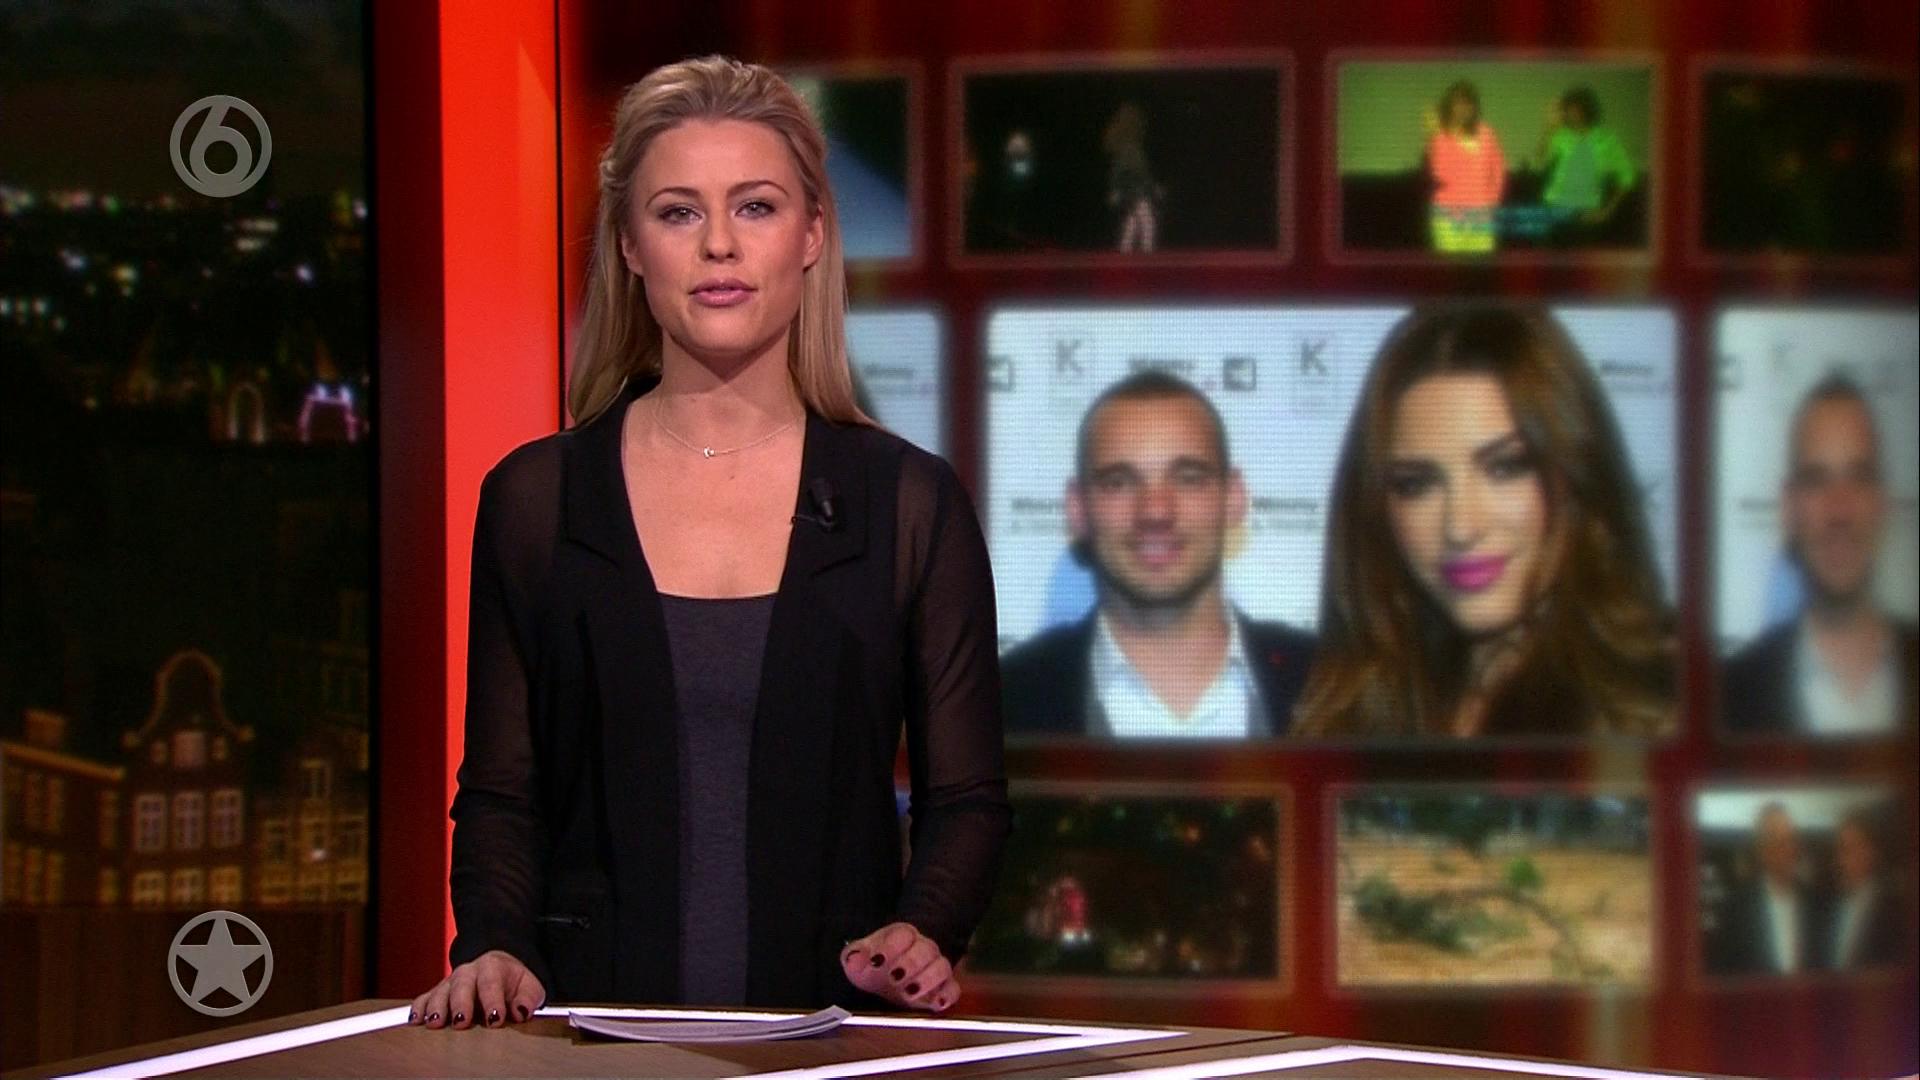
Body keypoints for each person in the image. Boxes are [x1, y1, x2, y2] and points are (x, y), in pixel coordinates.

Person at [408, 56, 1011, 1030]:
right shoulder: (537, 499)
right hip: (589, 1041)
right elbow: (501, 794)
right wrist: (494, 946)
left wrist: (924, 927)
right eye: (679, 212)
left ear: (812, 234)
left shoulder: (908, 503)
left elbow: (968, 799)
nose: (719, 244)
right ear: (630, 244)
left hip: (831, 1043)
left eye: (756, 207)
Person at [1293, 304, 1675, 739]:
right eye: (1417, 483)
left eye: (1506, 467)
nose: (1460, 527)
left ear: (1579, 474)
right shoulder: (1347, 715)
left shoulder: (1661, 714)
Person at [1000, 372, 1315, 739]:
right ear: (1078, 509)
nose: (1155, 511)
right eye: (1119, 482)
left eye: (1188, 478)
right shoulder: (997, 703)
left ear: (1233, 498)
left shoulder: (1329, 683)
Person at [1722, 375, 1918, 737]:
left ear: (1883, 503)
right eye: (1816, 480)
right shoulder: (1728, 699)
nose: (1839, 510)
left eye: (1858, 478)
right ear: (1788, 509)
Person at [1708, 803, 1818, 976]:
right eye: (1778, 842)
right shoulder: (1735, 908)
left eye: (1791, 840)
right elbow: (1723, 975)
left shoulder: (1816, 903)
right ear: (1761, 850)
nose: (1789, 850)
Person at [1532, 86, 1637, 243]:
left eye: (1575, 109)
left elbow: (1627, 176)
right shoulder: (1561, 135)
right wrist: (1548, 128)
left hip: (1587, 212)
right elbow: (1539, 161)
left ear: (1587, 110)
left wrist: (1608, 210)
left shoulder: (1607, 139)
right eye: (1568, 109)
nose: (1571, 114)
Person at [1422, 80, 1506, 255]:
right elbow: (1440, 174)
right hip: (1448, 217)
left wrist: (1492, 202)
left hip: (1480, 217)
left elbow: (1498, 170)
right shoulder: (1440, 136)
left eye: (1467, 103)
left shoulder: (1486, 133)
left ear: (1474, 106)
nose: (1462, 108)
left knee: (1480, 268)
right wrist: (1433, 136)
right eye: (1457, 103)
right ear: (1449, 107)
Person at [1819, 808, 1908, 971]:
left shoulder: (1896, 910)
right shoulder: (1826, 903)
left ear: (1871, 852)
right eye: (1839, 849)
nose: (1840, 859)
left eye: (1849, 849)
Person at [1103, 102, 1164, 254]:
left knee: (1133, 220)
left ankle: (1125, 248)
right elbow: (1132, 174)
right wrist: (1117, 190)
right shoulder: (1130, 151)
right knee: (1147, 220)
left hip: (1133, 191)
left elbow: (1130, 174)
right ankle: (1146, 250)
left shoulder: (1131, 149)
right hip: (1135, 192)